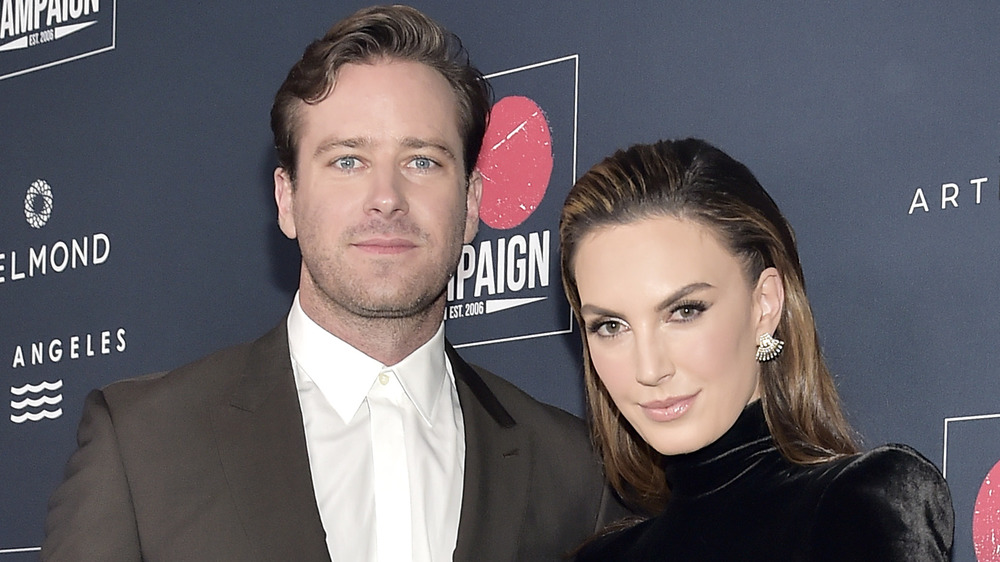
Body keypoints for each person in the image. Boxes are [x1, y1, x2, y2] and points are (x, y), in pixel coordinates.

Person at [41, 5, 624, 561]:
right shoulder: (143, 446)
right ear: (287, 199)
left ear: (471, 204)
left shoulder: (573, 472)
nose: (386, 199)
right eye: (347, 160)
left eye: (422, 160)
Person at [559, 138, 954, 561]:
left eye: (685, 311)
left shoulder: (858, 505)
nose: (649, 368)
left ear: (764, 304)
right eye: (611, 326)